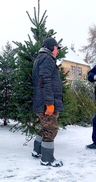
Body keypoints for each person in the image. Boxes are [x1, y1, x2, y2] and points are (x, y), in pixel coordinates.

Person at [31, 37, 64, 167]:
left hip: (42, 101)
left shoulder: (42, 58)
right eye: (57, 48)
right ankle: (47, 159)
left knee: (46, 127)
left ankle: (36, 151)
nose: (58, 51)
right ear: (51, 48)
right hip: (46, 102)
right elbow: (45, 81)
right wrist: (49, 103)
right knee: (51, 129)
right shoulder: (46, 58)